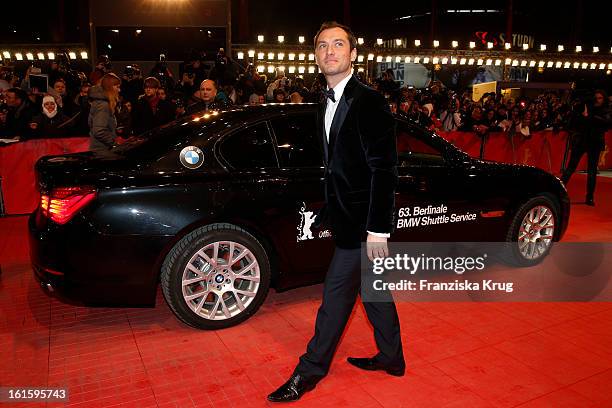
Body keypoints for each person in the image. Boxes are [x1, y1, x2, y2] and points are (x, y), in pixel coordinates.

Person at [268, 21, 404, 403]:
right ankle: (392, 358)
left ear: (353, 54)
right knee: (375, 292)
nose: (330, 51)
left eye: (338, 44)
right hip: (344, 215)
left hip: (364, 226)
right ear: (316, 56)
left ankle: (308, 372)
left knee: (334, 300)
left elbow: (384, 168)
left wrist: (378, 230)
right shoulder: (322, 100)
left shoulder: (369, 100)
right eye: (323, 46)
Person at [561, 90, 611, 206]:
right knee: (570, 167)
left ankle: (589, 197)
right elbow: (575, 120)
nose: (597, 100)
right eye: (596, 98)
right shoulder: (586, 107)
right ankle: (557, 191)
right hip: (582, 141)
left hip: (595, 143)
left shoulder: (606, 110)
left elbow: (606, 123)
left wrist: (588, 117)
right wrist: (584, 117)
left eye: (600, 98)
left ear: (604, 99)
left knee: (592, 171)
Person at [88, 73, 121, 151]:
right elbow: (99, 131)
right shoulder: (103, 105)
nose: (119, 90)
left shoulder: (102, 103)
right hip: (102, 150)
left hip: (102, 149)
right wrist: (114, 143)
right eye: (117, 87)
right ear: (110, 87)